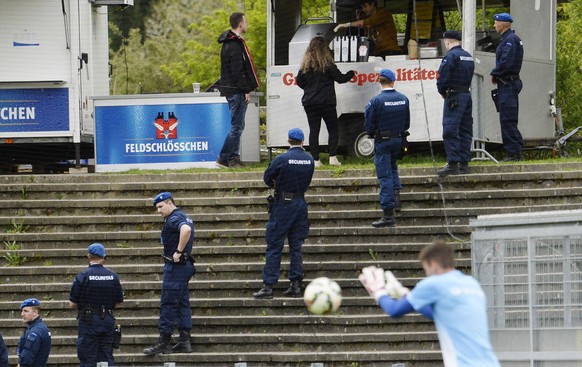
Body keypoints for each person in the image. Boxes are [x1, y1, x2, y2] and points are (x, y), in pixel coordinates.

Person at [359, 240, 501, 367]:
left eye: (426, 269)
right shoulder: (471, 283)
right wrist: (406, 294)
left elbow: (394, 310)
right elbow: (441, 315)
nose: (427, 274)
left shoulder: (433, 283)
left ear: (433, 265)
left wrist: (379, 292)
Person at [253, 128, 315, 299]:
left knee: (274, 245)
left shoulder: (282, 158)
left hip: (283, 205)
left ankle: (268, 286)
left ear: (289, 141)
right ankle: (296, 284)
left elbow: (267, 178)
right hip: (300, 203)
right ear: (302, 141)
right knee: (296, 246)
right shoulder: (309, 159)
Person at [144, 192, 196, 355]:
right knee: (182, 302)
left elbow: (186, 230)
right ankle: (184, 340)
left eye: (160, 207)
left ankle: (163, 342)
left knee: (168, 303)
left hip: (176, 266)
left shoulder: (174, 218)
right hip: (185, 266)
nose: (158, 211)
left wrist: (178, 251)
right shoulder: (183, 216)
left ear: (169, 203)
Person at [296, 37, 354, 167]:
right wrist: (352, 73)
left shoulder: (305, 66)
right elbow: (341, 78)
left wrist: (309, 89)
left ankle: (316, 160)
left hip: (309, 102)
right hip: (326, 102)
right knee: (333, 129)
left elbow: (299, 81)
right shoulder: (328, 65)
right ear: (325, 49)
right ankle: (332, 158)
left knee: (314, 130)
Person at [364, 69, 409, 227]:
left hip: (383, 142)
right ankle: (397, 201)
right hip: (398, 140)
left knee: (384, 176)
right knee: (393, 168)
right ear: (393, 81)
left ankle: (388, 215)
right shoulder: (403, 99)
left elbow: (369, 125)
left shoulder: (375, 101)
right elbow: (407, 123)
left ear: (380, 81)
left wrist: (372, 133)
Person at [216, 12, 260, 169]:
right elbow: (238, 71)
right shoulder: (234, 45)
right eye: (245, 22)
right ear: (240, 24)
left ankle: (226, 158)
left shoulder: (230, 43)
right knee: (237, 126)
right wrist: (246, 89)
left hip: (232, 89)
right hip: (236, 90)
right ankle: (229, 158)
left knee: (237, 125)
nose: (247, 24)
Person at [69, 243, 124, 367]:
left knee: (87, 357)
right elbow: (119, 302)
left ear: (88, 256)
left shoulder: (82, 276)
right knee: (106, 355)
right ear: (103, 257)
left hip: (88, 321)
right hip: (107, 321)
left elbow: (73, 304)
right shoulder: (113, 276)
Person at [436, 30, 475, 176]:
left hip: (454, 97)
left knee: (450, 129)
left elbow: (442, 79)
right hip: (466, 94)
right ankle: (464, 163)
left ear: (447, 41)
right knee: (465, 130)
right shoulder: (468, 56)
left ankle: (452, 163)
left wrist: (442, 92)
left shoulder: (450, 56)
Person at [490, 12, 524, 162]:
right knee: (507, 117)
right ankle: (514, 150)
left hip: (507, 83)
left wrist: (494, 73)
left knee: (507, 118)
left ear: (502, 24)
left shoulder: (510, 40)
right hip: (508, 82)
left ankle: (513, 152)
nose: (494, 25)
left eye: (495, 23)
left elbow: (506, 62)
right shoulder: (510, 39)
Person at [334, 0, 400, 57]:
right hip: (379, 52)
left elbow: (369, 22)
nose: (364, 10)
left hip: (391, 51)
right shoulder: (368, 19)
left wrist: (347, 24)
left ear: (373, 3)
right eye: (362, 7)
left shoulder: (383, 13)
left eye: (365, 6)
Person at [17, 298, 51, 367]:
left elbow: (26, 359)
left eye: (26, 311)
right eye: (22, 311)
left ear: (35, 313)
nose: (22, 314)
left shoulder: (35, 332)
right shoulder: (41, 327)